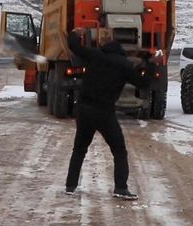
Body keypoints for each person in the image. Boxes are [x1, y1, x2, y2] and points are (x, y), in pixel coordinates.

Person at [64, 27, 159, 201]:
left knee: (79, 149)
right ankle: (121, 188)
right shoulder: (124, 65)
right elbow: (143, 83)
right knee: (119, 150)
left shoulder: (95, 55)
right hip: (104, 112)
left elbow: (74, 47)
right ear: (121, 51)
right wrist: (152, 64)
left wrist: (75, 34)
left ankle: (70, 186)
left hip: (84, 109)